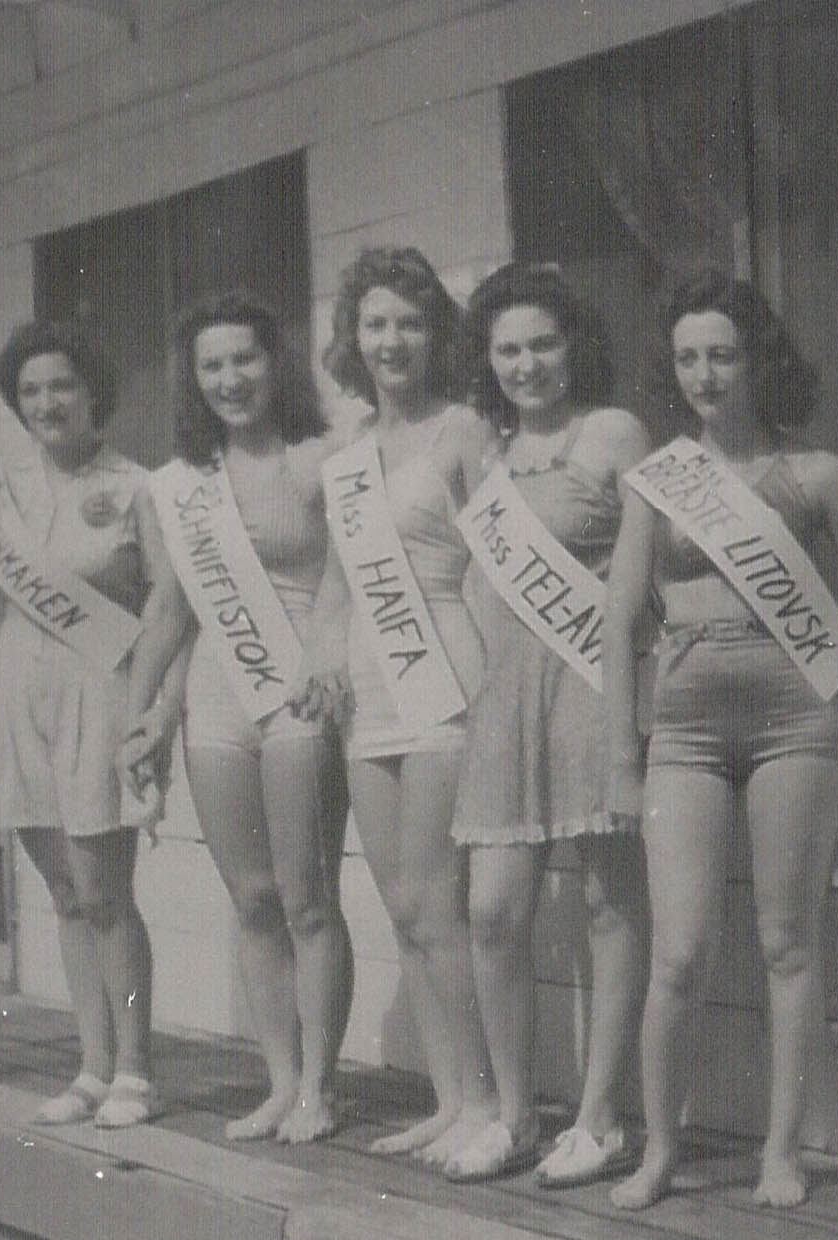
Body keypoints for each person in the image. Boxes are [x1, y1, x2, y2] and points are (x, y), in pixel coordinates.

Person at [605, 271, 838, 1209]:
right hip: (684, 728)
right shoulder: (660, 480)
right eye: (687, 358)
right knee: (679, 951)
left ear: (758, 358)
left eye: (722, 353)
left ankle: (780, 1153)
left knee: (788, 943)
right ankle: (659, 1152)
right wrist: (620, 756)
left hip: (799, 716)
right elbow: (618, 618)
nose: (706, 374)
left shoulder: (820, 473)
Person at [121, 291, 353, 1144]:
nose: (230, 379)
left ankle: (321, 1088)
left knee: (307, 897)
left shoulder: (323, 457)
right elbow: (171, 611)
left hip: (300, 688)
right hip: (218, 697)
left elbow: (351, 575)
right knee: (251, 897)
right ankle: (282, 1080)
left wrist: (325, 651)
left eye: (244, 359)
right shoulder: (178, 486)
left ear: (274, 361)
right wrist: (139, 712)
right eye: (212, 366)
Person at [445, 263, 651, 1181]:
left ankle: (601, 1117)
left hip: (591, 691)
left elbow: (647, 571)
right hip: (503, 703)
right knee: (492, 913)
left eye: (544, 343)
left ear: (575, 347)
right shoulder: (481, 455)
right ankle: (518, 1114)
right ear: (486, 361)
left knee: (610, 904)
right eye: (508, 348)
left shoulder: (611, 434)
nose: (527, 364)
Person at [0, 319, 185, 1127]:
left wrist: (149, 708)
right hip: (20, 692)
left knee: (104, 890)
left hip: (100, 687)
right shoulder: (0, 494)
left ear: (94, 393)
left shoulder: (135, 486)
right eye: (29, 390)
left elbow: (166, 601)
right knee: (61, 890)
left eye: (61, 385)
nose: (46, 403)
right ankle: (91, 1066)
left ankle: (135, 1070)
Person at [306, 246, 497, 1163]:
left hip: (442, 680)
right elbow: (340, 586)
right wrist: (320, 659)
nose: (392, 340)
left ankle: (487, 1103)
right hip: (367, 698)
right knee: (402, 909)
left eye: (411, 323)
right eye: (376, 323)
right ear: (354, 337)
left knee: (440, 903)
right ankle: (448, 1097)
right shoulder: (346, 457)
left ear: (437, 336)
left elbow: (500, 570)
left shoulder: (462, 430)